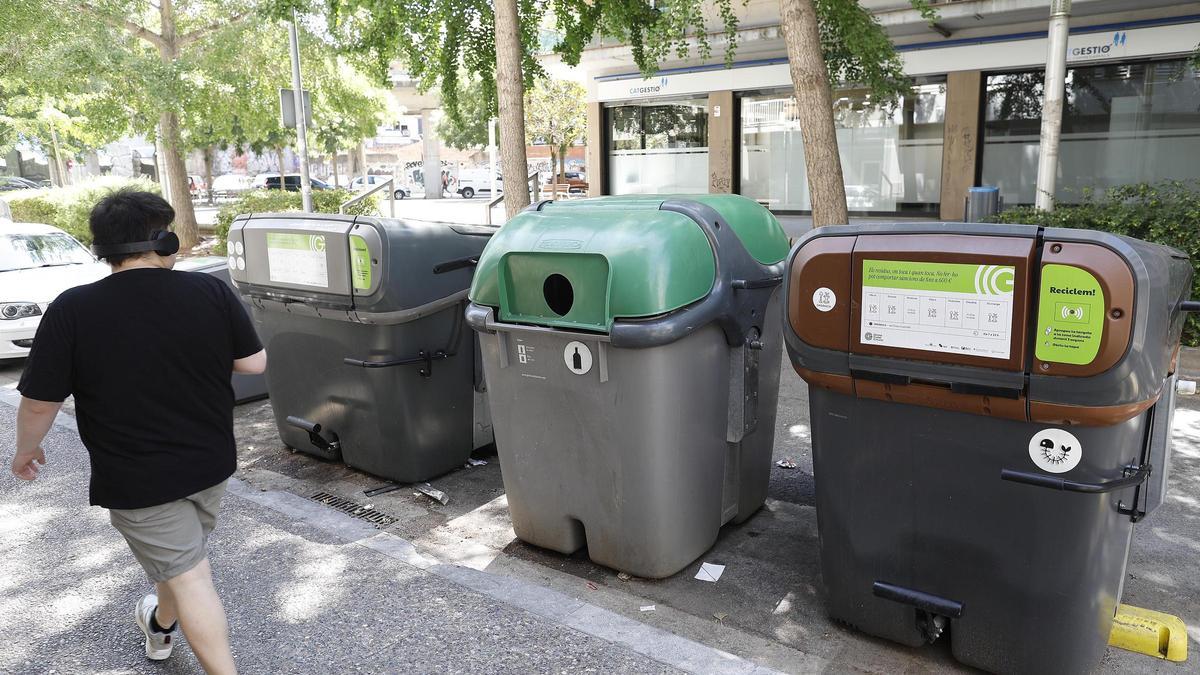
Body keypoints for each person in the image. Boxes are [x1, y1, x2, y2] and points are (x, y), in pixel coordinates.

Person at [11, 189, 266, 674]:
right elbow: (254, 363)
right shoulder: (208, 291)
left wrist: (26, 449)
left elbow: (41, 401)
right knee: (182, 563)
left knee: (189, 574)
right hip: (211, 463)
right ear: (164, 241)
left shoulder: (73, 309)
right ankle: (160, 623)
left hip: (139, 479)